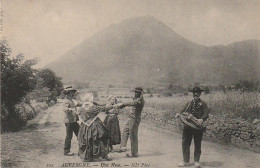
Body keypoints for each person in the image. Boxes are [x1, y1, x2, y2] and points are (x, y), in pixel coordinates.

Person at [77, 93, 123, 162]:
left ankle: (88, 156)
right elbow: (103, 108)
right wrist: (114, 106)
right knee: (100, 138)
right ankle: (103, 155)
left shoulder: (81, 108)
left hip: (85, 126)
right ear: (90, 99)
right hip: (95, 125)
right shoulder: (93, 107)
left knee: (87, 140)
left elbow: (80, 115)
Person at [175, 86, 209, 168]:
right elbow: (182, 110)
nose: (195, 94)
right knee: (185, 142)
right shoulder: (189, 102)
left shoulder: (203, 103)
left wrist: (202, 119)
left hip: (198, 126)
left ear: (200, 94)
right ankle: (186, 161)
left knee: (197, 143)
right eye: (194, 93)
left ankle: (196, 162)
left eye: (197, 92)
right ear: (192, 94)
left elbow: (206, 113)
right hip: (188, 126)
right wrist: (179, 113)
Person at [116, 87, 145, 157]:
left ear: (140, 93)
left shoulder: (140, 100)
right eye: (135, 92)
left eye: (137, 92)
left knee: (133, 135)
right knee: (125, 131)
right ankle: (123, 147)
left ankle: (134, 153)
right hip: (131, 118)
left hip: (135, 119)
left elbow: (132, 103)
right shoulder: (136, 99)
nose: (135, 93)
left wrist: (123, 104)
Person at [62, 86, 80, 156]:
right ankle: (66, 151)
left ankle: (82, 149)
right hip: (69, 122)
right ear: (68, 93)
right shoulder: (66, 100)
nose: (73, 94)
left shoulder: (72, 100)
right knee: (69, 136)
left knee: (80, 134)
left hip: (74, 121)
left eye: (73, 92)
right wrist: (71, 109)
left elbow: (78, 104)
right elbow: (65, 109)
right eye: (72, 92)